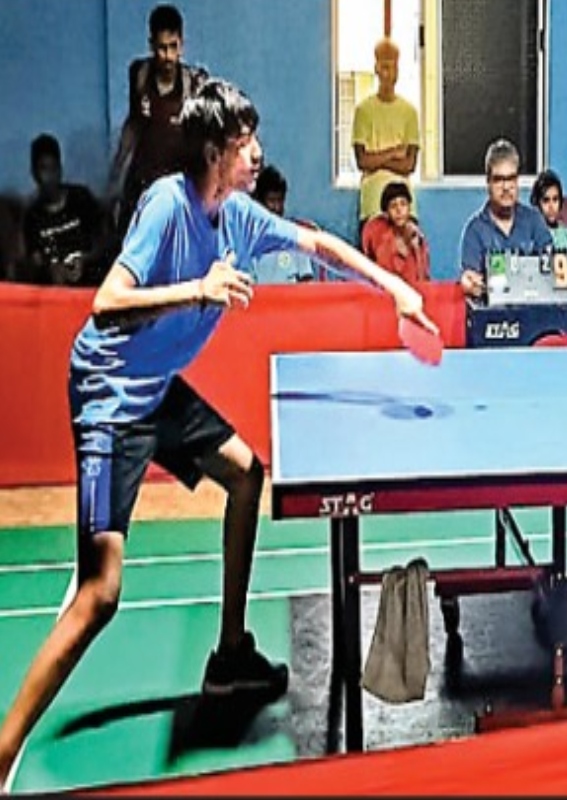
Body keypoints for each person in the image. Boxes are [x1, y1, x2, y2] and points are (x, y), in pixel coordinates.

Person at [0, 79, 436, 789]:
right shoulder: (167, 206)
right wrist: (198, 289)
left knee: (245, 472)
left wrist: (395, 291)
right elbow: (107, 303)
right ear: (213, 152)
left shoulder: (236, 216)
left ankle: (230, 654)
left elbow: (321, 244)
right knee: (99, 596)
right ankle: (1, 751)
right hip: (111, 395)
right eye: (243, 143)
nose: (256, 153)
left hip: (155, 385)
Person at [108, 4, 209, 238]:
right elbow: (133, 124)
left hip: (177, 186)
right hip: (142, 181)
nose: (168, 56)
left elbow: (204, 140)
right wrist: (116, 170)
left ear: (182, 45)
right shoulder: (139, 75)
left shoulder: (195, 84)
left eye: (173, 47)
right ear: (151, 45)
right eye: (162, 48)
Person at [458, 138, 553, 299]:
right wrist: (469, 283)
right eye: (498, 179)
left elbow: (551, 270)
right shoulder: (475, 231)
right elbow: (471, 278)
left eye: (511, 178)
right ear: (488, 182)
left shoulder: (535, 222)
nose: (506, 187)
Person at [351, 37, 420, 234]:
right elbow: (363, 161)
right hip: (373, 204)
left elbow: (409, 165)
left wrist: (377, 160)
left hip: (405, 205)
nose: (389, 73)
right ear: (376, 68)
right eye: (385, 67)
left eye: (394, 67)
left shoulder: (409, 112)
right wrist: (394, 152)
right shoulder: (363, 110)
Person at [23, 133, 111, 287]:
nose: (50, 177)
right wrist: (51, 271)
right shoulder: (32, 217)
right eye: (44, 169)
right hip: (56, 294)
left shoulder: (81, 198)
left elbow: (104, 240)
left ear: (60, 169)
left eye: (54, 168)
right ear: (35, 174)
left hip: (91, 286)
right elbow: (34, 262)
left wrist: (85, 260)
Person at [361, 180, 430, 282]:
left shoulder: (417, 236)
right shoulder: (380, 237)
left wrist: (415, 247)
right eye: (393, 206)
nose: (399, 210)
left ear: (409, 208)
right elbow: (384, 274)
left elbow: (424, 276)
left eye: (403, 204)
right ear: (387, 212)